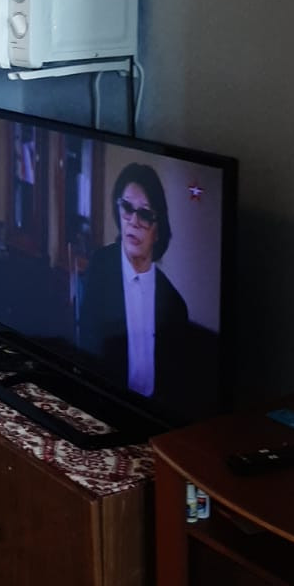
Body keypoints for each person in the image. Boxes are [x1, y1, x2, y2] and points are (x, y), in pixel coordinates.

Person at [78, 162, 189, 404]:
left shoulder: (175, 305)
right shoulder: (100, 266)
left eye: (146, 214)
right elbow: (85, 348)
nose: (134, 221)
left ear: (158, 230)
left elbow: (176, 389)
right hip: (100, 403)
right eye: (127, 208)